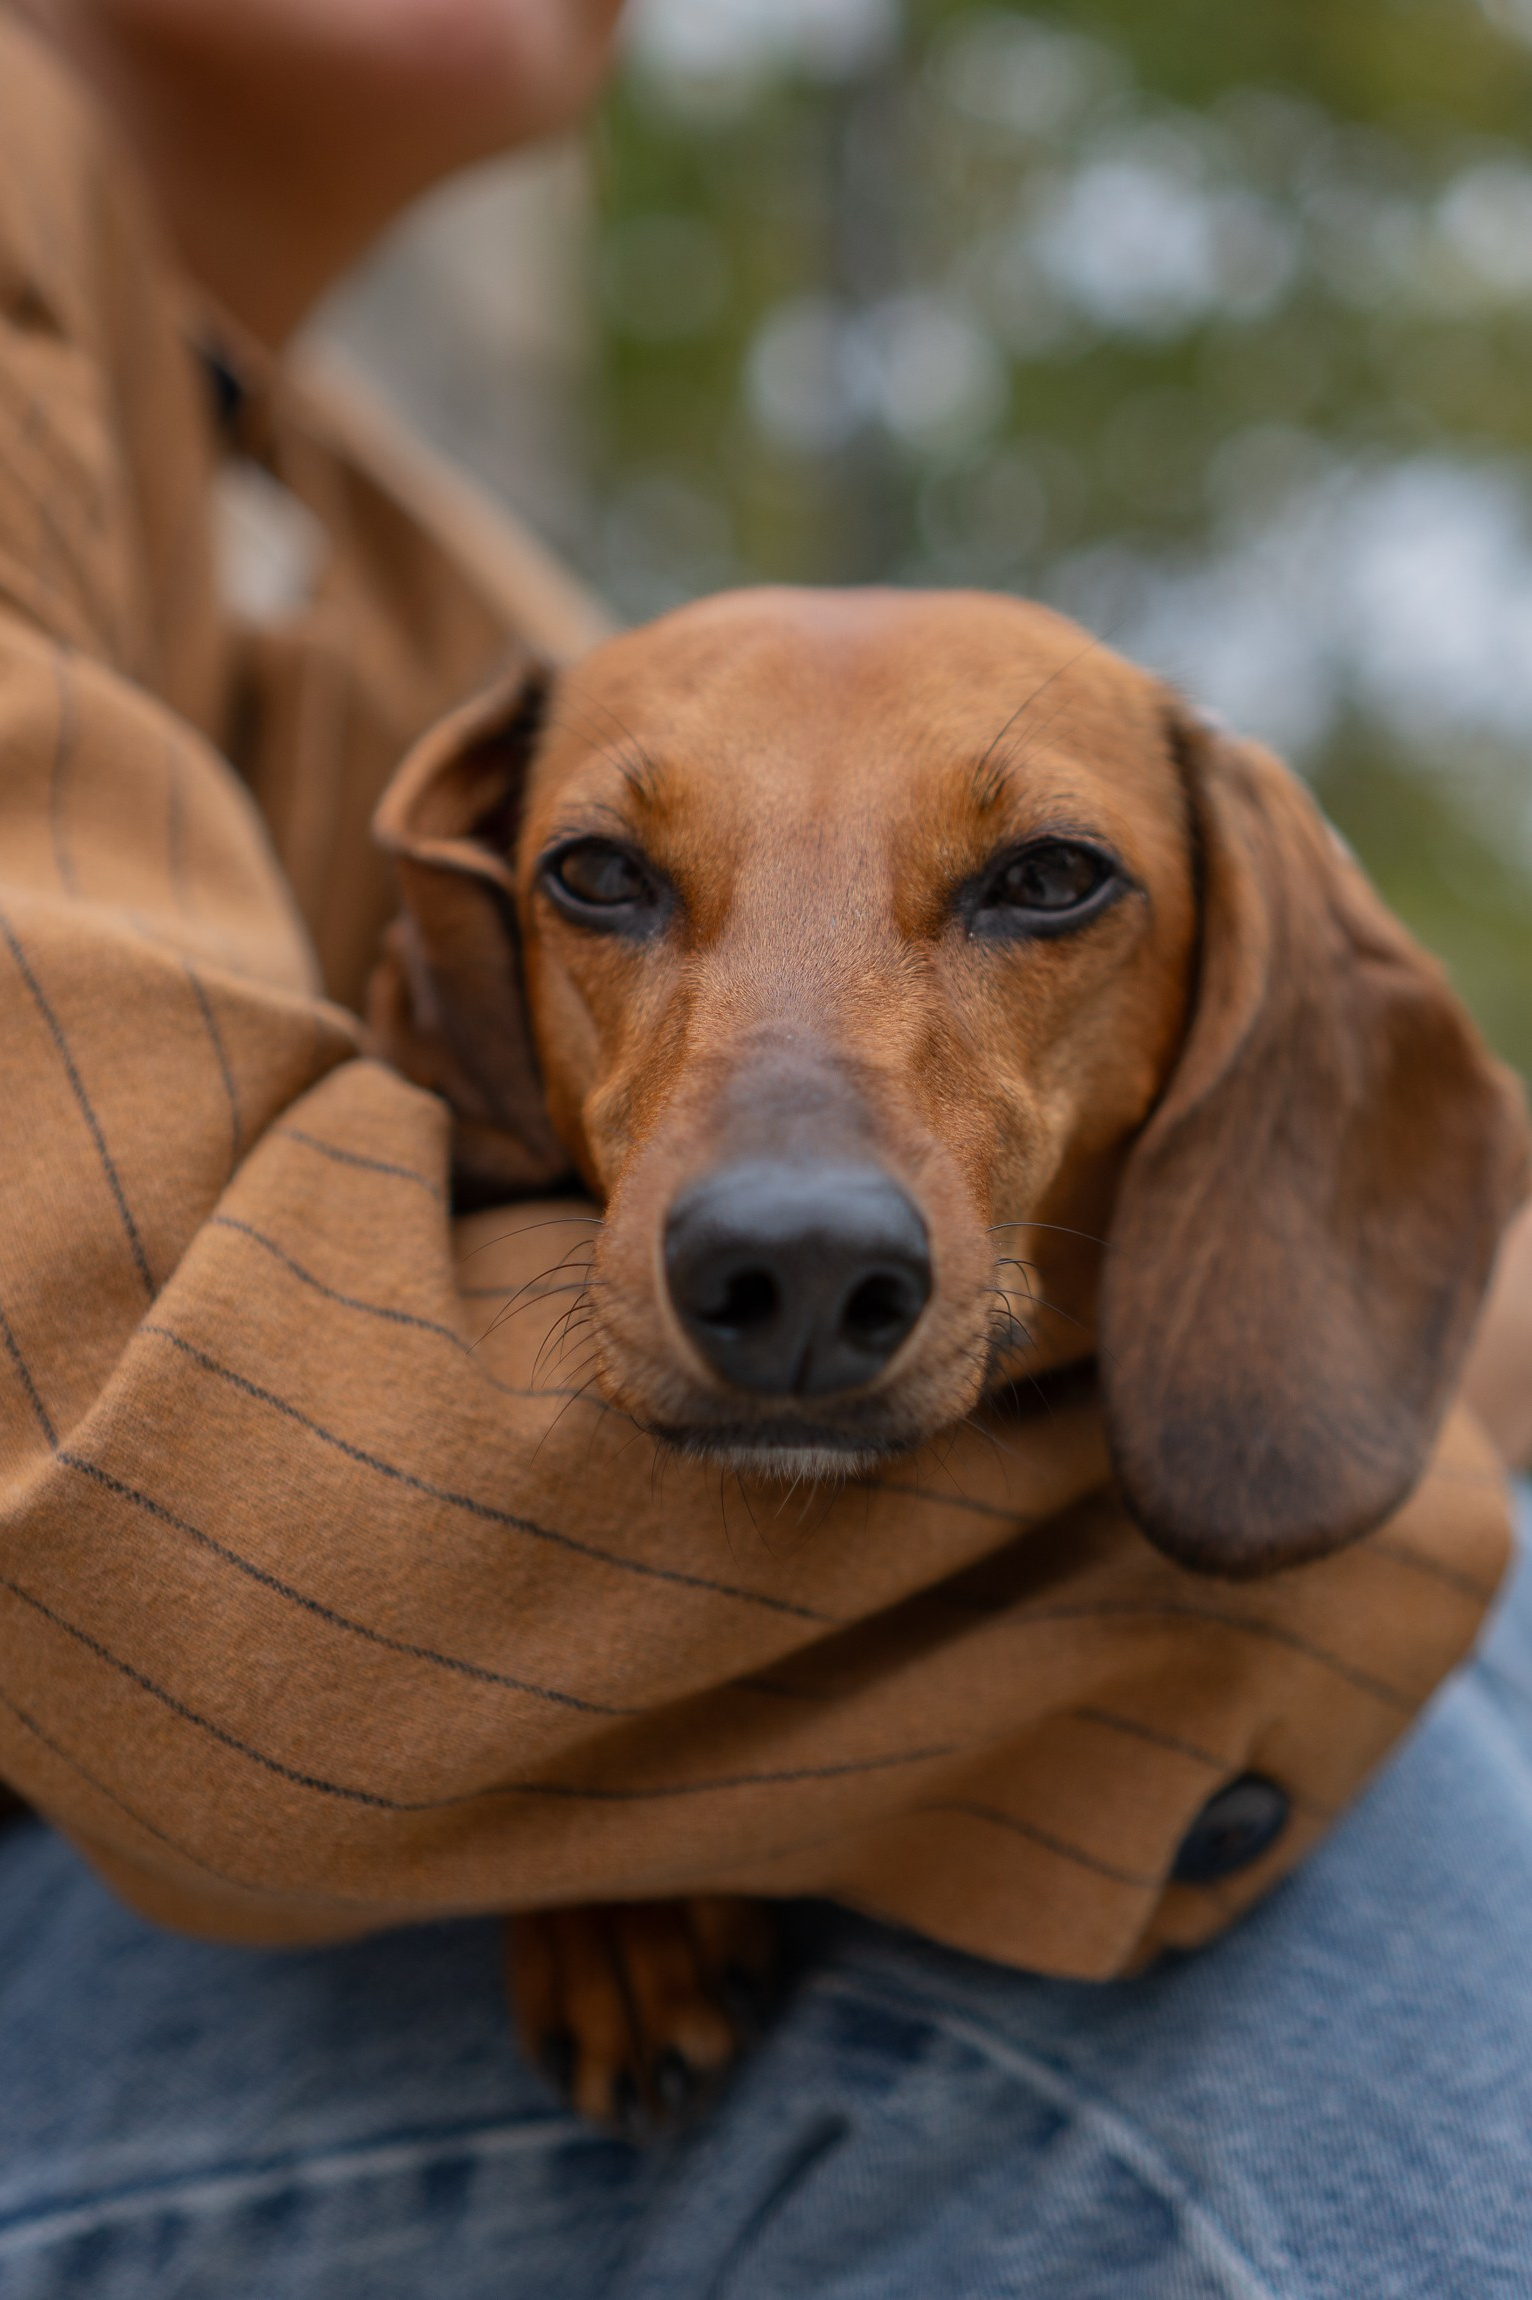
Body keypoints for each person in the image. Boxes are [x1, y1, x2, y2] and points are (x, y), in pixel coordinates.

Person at [2, 2, 1532, 2290]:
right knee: (1261, 1976)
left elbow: (1374, 1260)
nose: (797, 1210)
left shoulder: (463, 597)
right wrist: (1390, 1522)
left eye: (1033, 889)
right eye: (613, 888)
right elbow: (218, 1615)